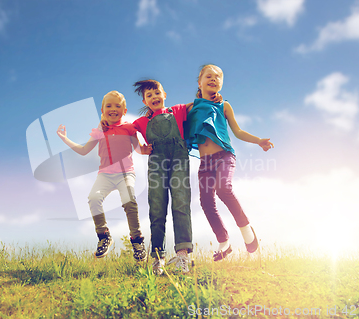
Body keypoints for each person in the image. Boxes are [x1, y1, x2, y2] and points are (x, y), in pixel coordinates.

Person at [184, 64, 274, 261]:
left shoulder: (224, 106)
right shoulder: (190, 108)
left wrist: (259, 141)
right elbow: (170, 114)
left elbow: (238, 131)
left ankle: (246, 229)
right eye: (209, 76)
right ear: (199, 82)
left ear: (221, 84)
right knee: (206, 202)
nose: (213, 79)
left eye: (218, 77)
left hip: (224, 156)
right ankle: (224, 243)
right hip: (205, 163)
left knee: (223, 188)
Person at [57, 91, 152, 261]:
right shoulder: (100, 131)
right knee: (93, 198)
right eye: (109, 106)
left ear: (124, 110)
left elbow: (139, 149)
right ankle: (104, 237)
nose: (113, 109)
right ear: (102, 109)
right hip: (105, 175)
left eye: (118, 106)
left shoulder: (129, 129)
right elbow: (84, 150)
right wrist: (65, 139)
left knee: (129, 200)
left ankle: (137, 241)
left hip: (125, 174)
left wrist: (148, 149)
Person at [131, 80, 194, 274]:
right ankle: (158, 258)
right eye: (149, 96)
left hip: (179, 160)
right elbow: (124, 131)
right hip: (156, 163)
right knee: (157, 208)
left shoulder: (178, 110)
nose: (154, 97)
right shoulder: (141, 122)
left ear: (164, 94)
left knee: (181, 203)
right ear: (145, 101)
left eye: (157, 92)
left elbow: (198, 103)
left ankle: (183, 255)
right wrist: (140, 148)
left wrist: (209, 96)